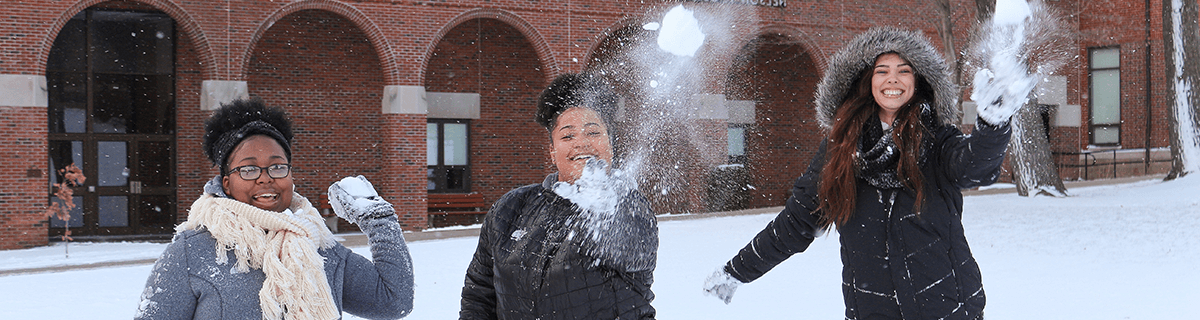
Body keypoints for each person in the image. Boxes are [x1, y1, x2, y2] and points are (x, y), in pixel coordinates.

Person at [703, 27, 1026, 320]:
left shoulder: (937, 139)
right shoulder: (840, 149)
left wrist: (993, 126)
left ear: (918, 82)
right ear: (867, 81)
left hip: (947, 308)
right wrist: (738, 270)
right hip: (872, 311)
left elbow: (974, 169)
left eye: (904, 71)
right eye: (882, 71)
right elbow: (797, 222)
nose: (893, 80)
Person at [135, 98, 414, 320]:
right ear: (226, 183)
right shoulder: (192, 250)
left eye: (277, 166)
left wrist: (379, 218)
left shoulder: (318, 247)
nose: (265, 177)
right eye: (248, 169)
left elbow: (393, 301)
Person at [459, 73, 658, 320]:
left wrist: (599, 194)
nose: (581, 143)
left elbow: (633, 255)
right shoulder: (510, 208)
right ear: (552, 151)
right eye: (567, 135)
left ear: (611, 144)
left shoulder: (626, 204)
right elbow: (479, 294)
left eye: (593, 133)